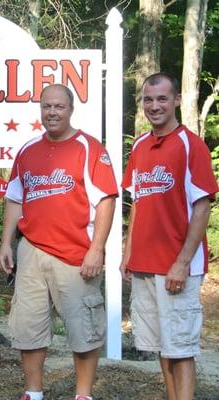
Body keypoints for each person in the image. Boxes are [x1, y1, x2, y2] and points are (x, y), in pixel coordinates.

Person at [0, 84, 118, 400]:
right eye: (46, 106)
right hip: (32, 249)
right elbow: (14, 199)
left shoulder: (88, 148)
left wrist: (97, 249)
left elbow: (105, 200)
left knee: (84, 329)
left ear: (71, 109)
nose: (52, 112)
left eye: (59, 107)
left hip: (75, 253)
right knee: (29, 326)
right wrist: (6, 243)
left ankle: (83, 394)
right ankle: (33, 391)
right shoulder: (28, 150)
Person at [120, 73, 218, 400]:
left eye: (162, 99)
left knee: (182, 348)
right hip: (145, 263)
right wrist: (127, 254)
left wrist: (182, 262)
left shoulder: (191, 144)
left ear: (176, 100)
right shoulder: (140, 145)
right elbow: (138, 205)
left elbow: (202, 206)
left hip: (177, 265)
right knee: (162, 344)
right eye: (148, 99)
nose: (154, 106)